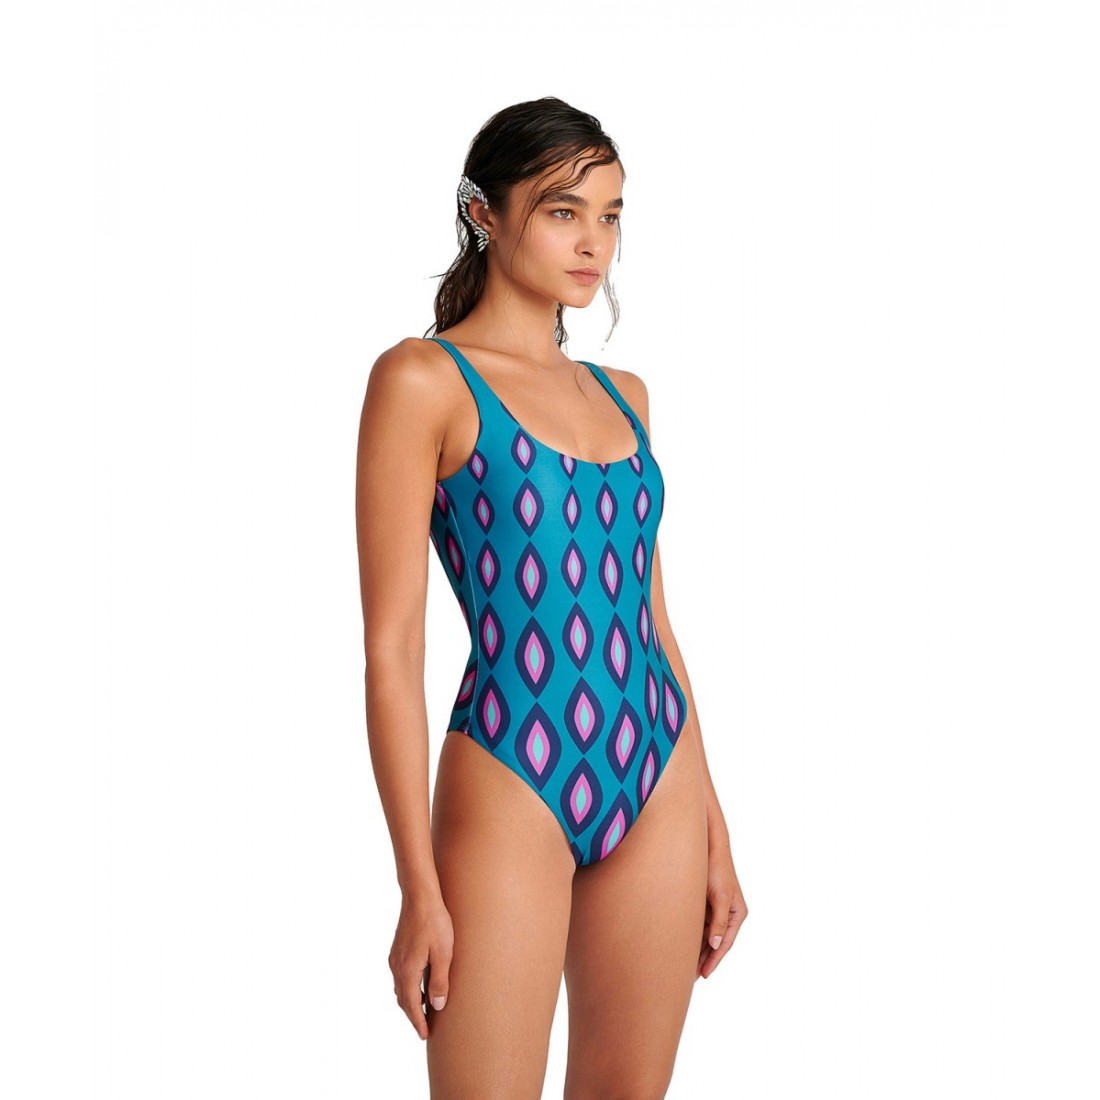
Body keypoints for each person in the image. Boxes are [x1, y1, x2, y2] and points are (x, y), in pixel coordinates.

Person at [355, 95, 747, 1099]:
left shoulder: (625, 395)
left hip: (655, 764)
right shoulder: (423, 381)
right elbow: (392, 648)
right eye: (563, 211)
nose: (593, 242)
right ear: (482, 213)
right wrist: (415, 883)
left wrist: (712, 823)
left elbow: (651, 621)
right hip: (512, 767)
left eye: (610, 215)